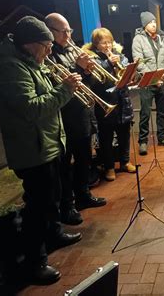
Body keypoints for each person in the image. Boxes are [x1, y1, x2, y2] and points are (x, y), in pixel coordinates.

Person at [0, 16, 83, 284]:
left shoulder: (31, 61)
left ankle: (54, 234)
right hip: (32, 149)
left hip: (48, 143)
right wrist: (65, 90)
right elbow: (31, 109)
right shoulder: (9, 68)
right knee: (37, 207)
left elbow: (45, 96)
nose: (50, 51)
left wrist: (63, 85)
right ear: (31, 44)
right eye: (47, 45)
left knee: (52, 198)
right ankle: (36, 262)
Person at [45, 13, 106, 226]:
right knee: (65, 164)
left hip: (83, 113)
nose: (68, 35)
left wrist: (88, 70)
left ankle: (83, 195)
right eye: (63, 31)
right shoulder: (48, 54)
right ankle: (67, 205)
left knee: (84, 159)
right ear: (50, 31)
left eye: (69, 30)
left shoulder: (73, 49)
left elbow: (87, 84)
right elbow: (60, 82)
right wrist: (79, 68)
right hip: (65, 116)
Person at [83, 28, 136, 182]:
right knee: (106, 138)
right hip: (104, 104)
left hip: (122, 102)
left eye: (110, 42)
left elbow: (126, 73)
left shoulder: (120, 55)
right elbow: (93, 81)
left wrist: (123, 67)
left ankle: (125, 162)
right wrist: (107, 63)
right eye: (103, 42)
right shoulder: (92, 59)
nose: (108, 45)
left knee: (124, 134)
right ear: (96, 44)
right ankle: (109, 167)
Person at [132, 11, 164, 155]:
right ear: (145, 25)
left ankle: (162, 137)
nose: (154, 24)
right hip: (147, 83)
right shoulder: (138, 39)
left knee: (162, 112)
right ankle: (143, 141)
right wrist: (154, 77)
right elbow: (139, 62)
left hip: (162, 81)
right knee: (145, 112)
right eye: (150, 22)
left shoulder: (162, 38)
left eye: (155, 22)